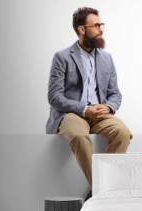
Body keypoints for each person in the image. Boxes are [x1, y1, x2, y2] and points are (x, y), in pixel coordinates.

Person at [46, 7, 132, 192]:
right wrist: (85, 109)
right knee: (79, 136)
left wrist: (108, 107)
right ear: (81, 29)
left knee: (123, 133)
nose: (101, 29)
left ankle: (99, 190)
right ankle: (102, 191)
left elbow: (115, 93)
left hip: (100, 114)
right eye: (96, 25)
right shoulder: (62, 57)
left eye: (102, 24)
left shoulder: (106, 58)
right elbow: (54, 96)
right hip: (72, 113)